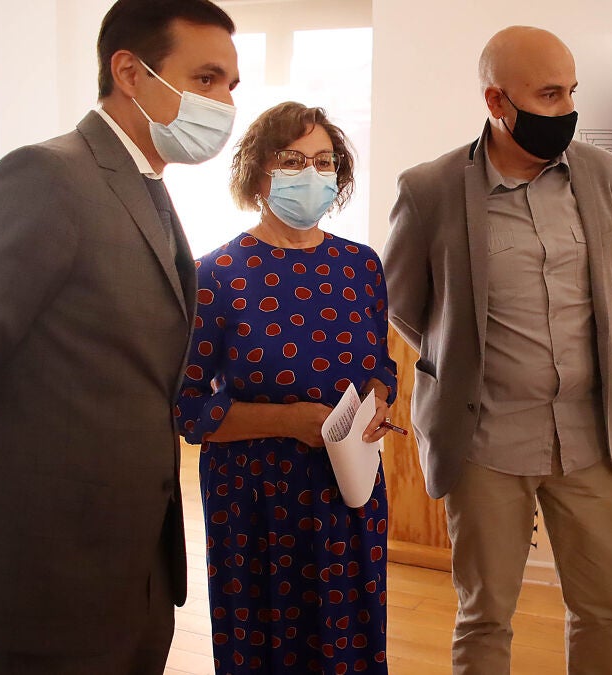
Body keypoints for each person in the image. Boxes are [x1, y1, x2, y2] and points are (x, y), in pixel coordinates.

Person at [0, 1, 239, 672]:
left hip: (133, 572)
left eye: (230, 85)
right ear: (130, 73)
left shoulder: (144, 187)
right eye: (205, 79)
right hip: (42, 580)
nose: (223, 103)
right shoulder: (45, 178)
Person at [383, 25, 612, 675]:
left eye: (572, 92)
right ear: (496, 101)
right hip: (486, 440)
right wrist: (465, 361)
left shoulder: (605, 177)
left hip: (588, 437)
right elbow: (403, 306)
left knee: (603, 606)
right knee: (486, 614)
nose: (567, 110)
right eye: (549, 95)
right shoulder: (431, 189)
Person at [175, 101, 398, 674]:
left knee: (349, 640)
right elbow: (188, 408)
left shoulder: (361, 267)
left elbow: (381, 367)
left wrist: (378, 402)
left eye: (324, 161)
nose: (312, 173)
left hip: (348, 490)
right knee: (265, 644)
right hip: (256, 505)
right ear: (258, 174)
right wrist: (289, 420)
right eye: (293, 160)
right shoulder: (216, 276)